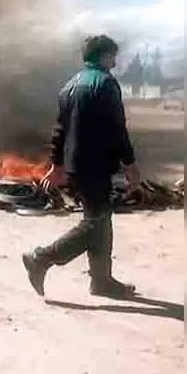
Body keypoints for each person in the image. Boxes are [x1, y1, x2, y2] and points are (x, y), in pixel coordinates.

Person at [22, 34, 141, 299]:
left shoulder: (69, 86)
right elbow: (117, 129)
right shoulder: (106, 83)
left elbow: (59, 130)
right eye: (112, 55)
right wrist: (131, 165)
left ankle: (102, 281)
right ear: (102, 56)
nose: (115, 60)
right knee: (95, 224)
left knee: (100, 220)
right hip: (96, 165)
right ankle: (41, 258)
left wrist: (57, 166)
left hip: (78, 166)